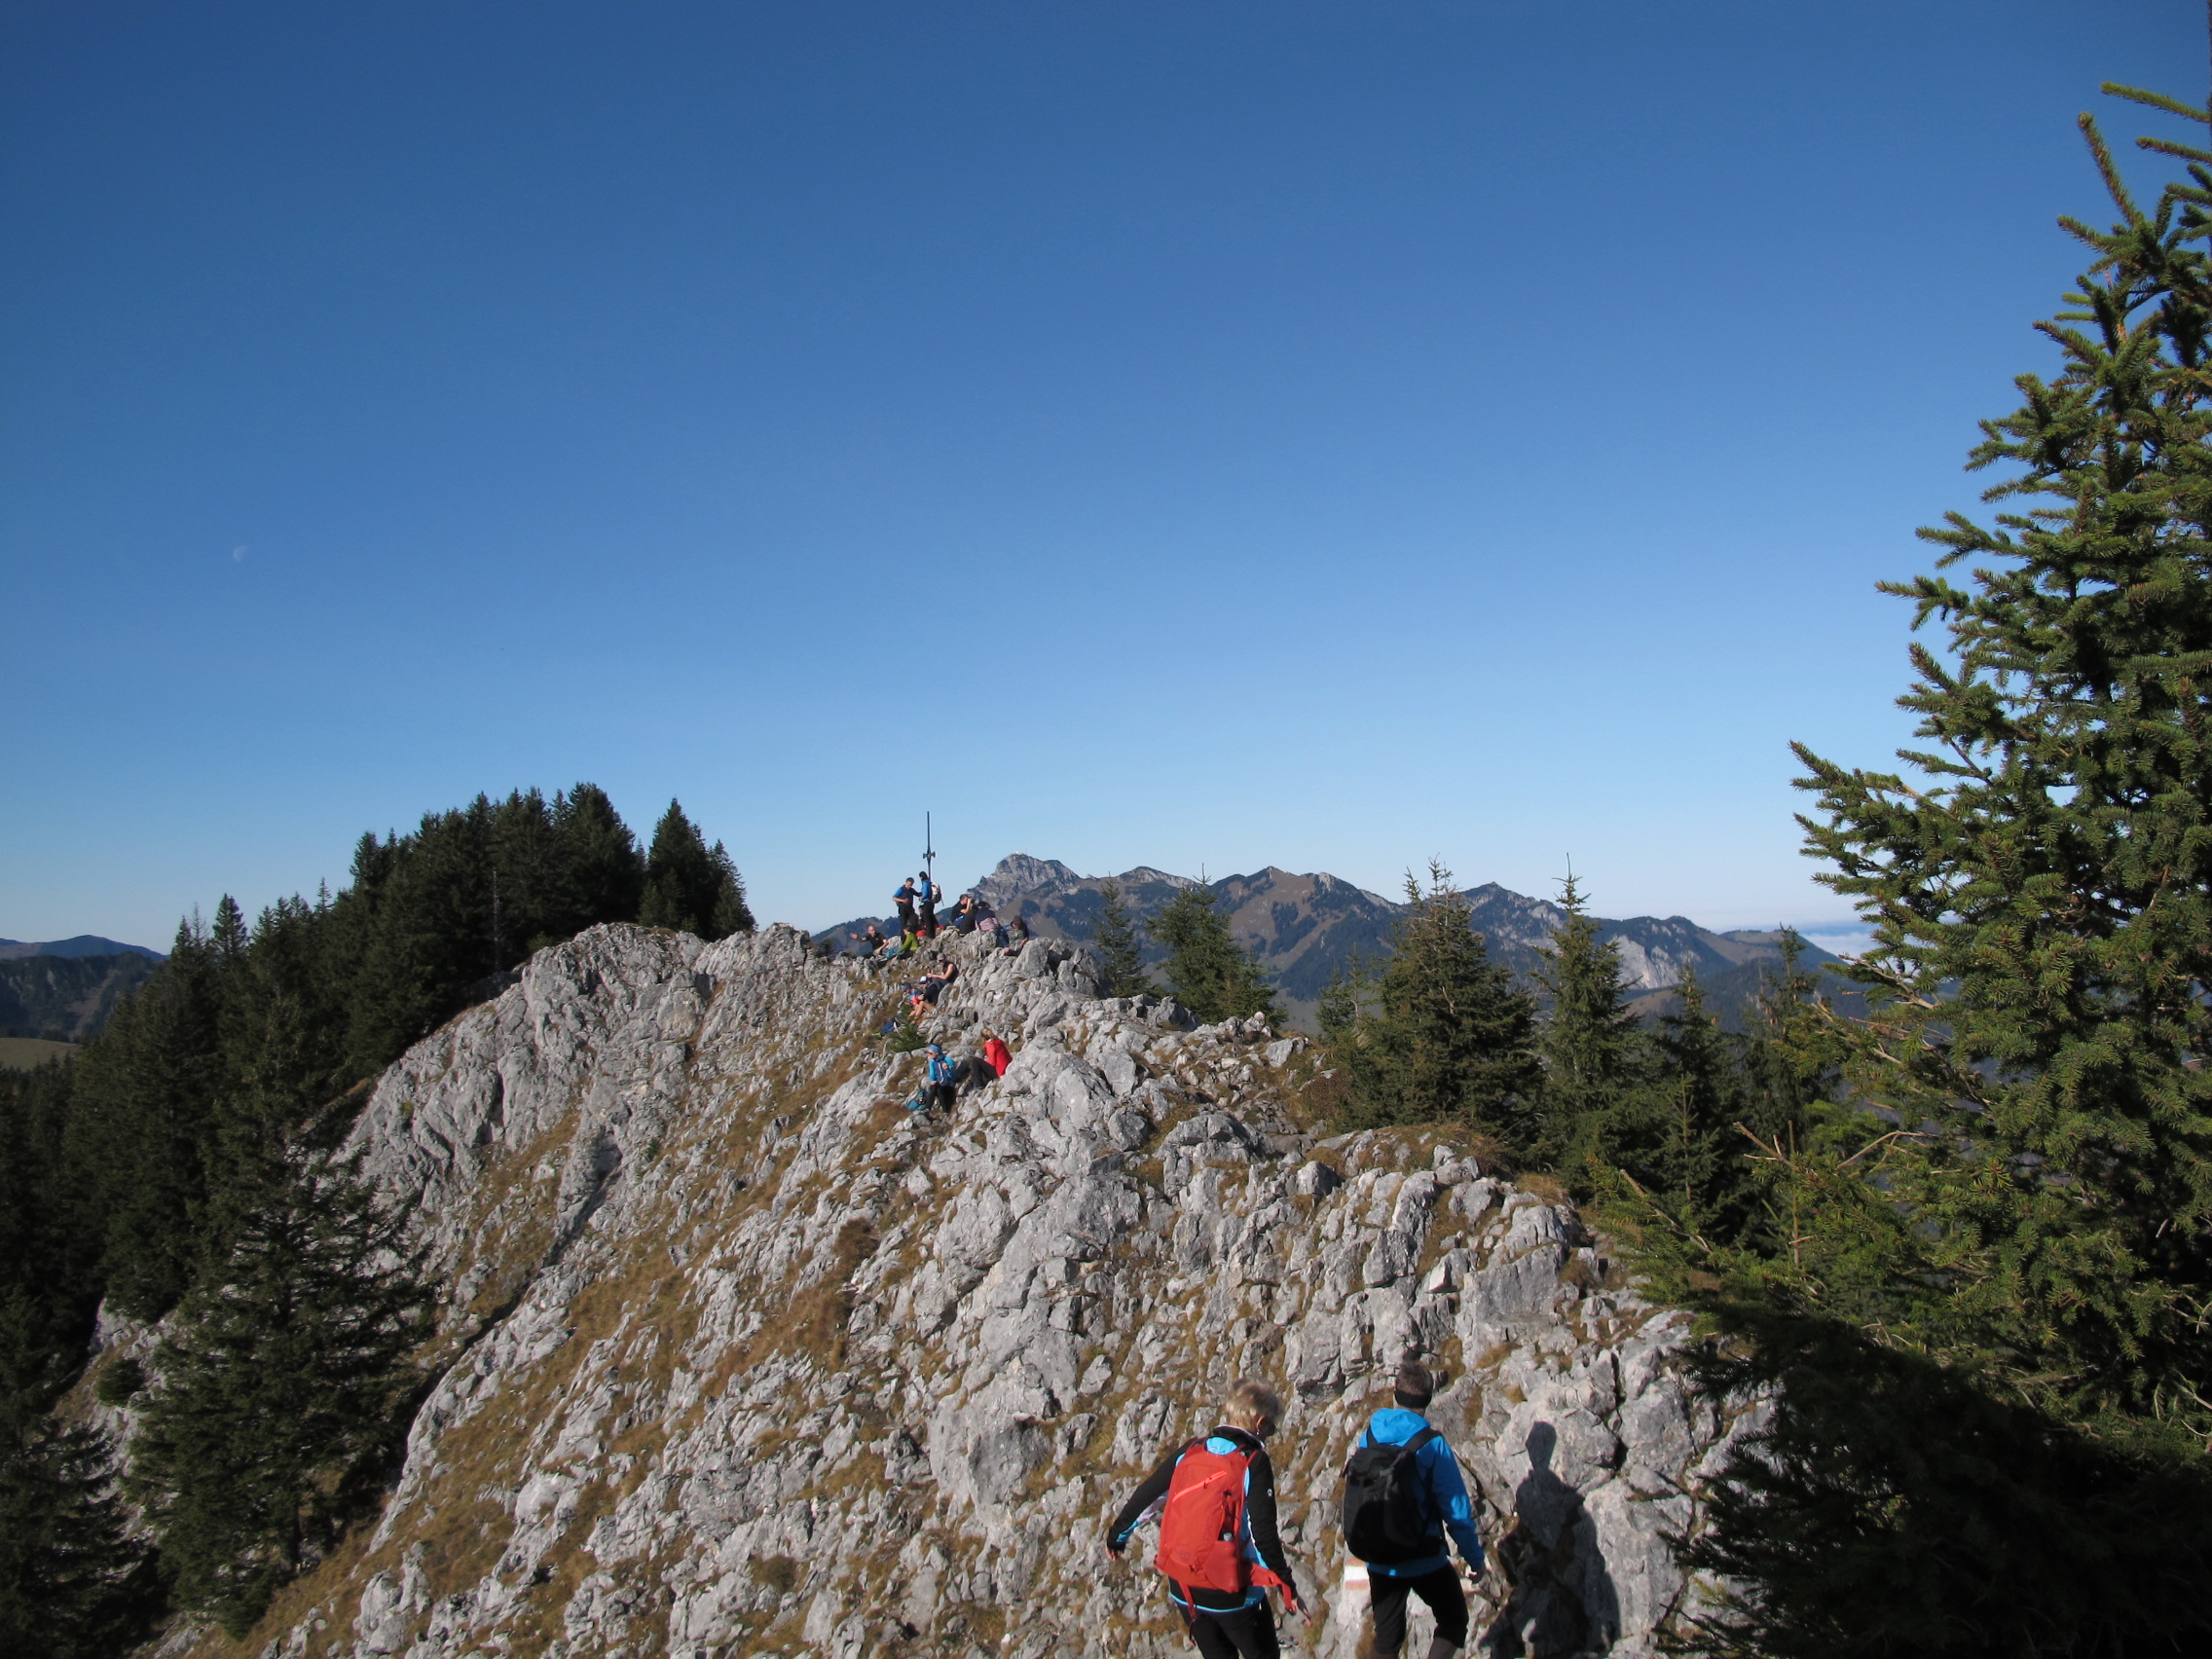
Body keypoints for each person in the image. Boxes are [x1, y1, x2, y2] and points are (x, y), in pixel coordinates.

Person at [1108, 1379, 1307, 1659]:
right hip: (1232, 1593)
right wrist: (1287, 1585)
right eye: (1272, 1427)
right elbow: (1262, 1534)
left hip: (1184, 1588)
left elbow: (1147, 1496)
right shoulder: (1253, 1461)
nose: (1270, 1435)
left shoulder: (1192, 1449)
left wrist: (1117, 1536)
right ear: (1260, 1423)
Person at [1343, 1360, 1482, 1659]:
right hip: (1423, 1557)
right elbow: (1456, 1510)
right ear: (1428, 1399)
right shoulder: (1432, 1444)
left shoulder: (1370, 1435)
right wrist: (1475, 1559)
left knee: (1387, 1640)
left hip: (1380, 1559)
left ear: (1396, 1394)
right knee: (1454, 1620)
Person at [922, 1043, 958, 1112]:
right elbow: (932, 1075)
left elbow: (953, 1076)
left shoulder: (948, 1060)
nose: (929, 1055)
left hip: (948, 1085)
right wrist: (932, 1080)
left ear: (937, 1053)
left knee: (939, 1090)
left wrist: (947, 1070)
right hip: (938, 1085)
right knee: (934, 1088)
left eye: (930, 1053)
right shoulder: (932, 1062)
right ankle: (928, 1109)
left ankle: (945, 1110)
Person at [917, 870, 940, 937]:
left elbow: (925, 893)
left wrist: (921, 897)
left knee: (927, 919)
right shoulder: (929, 882)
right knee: (931, 917)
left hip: (926, 902)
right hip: (931, 903)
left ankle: (930, 934)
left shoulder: (925, 883)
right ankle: (934, 932)